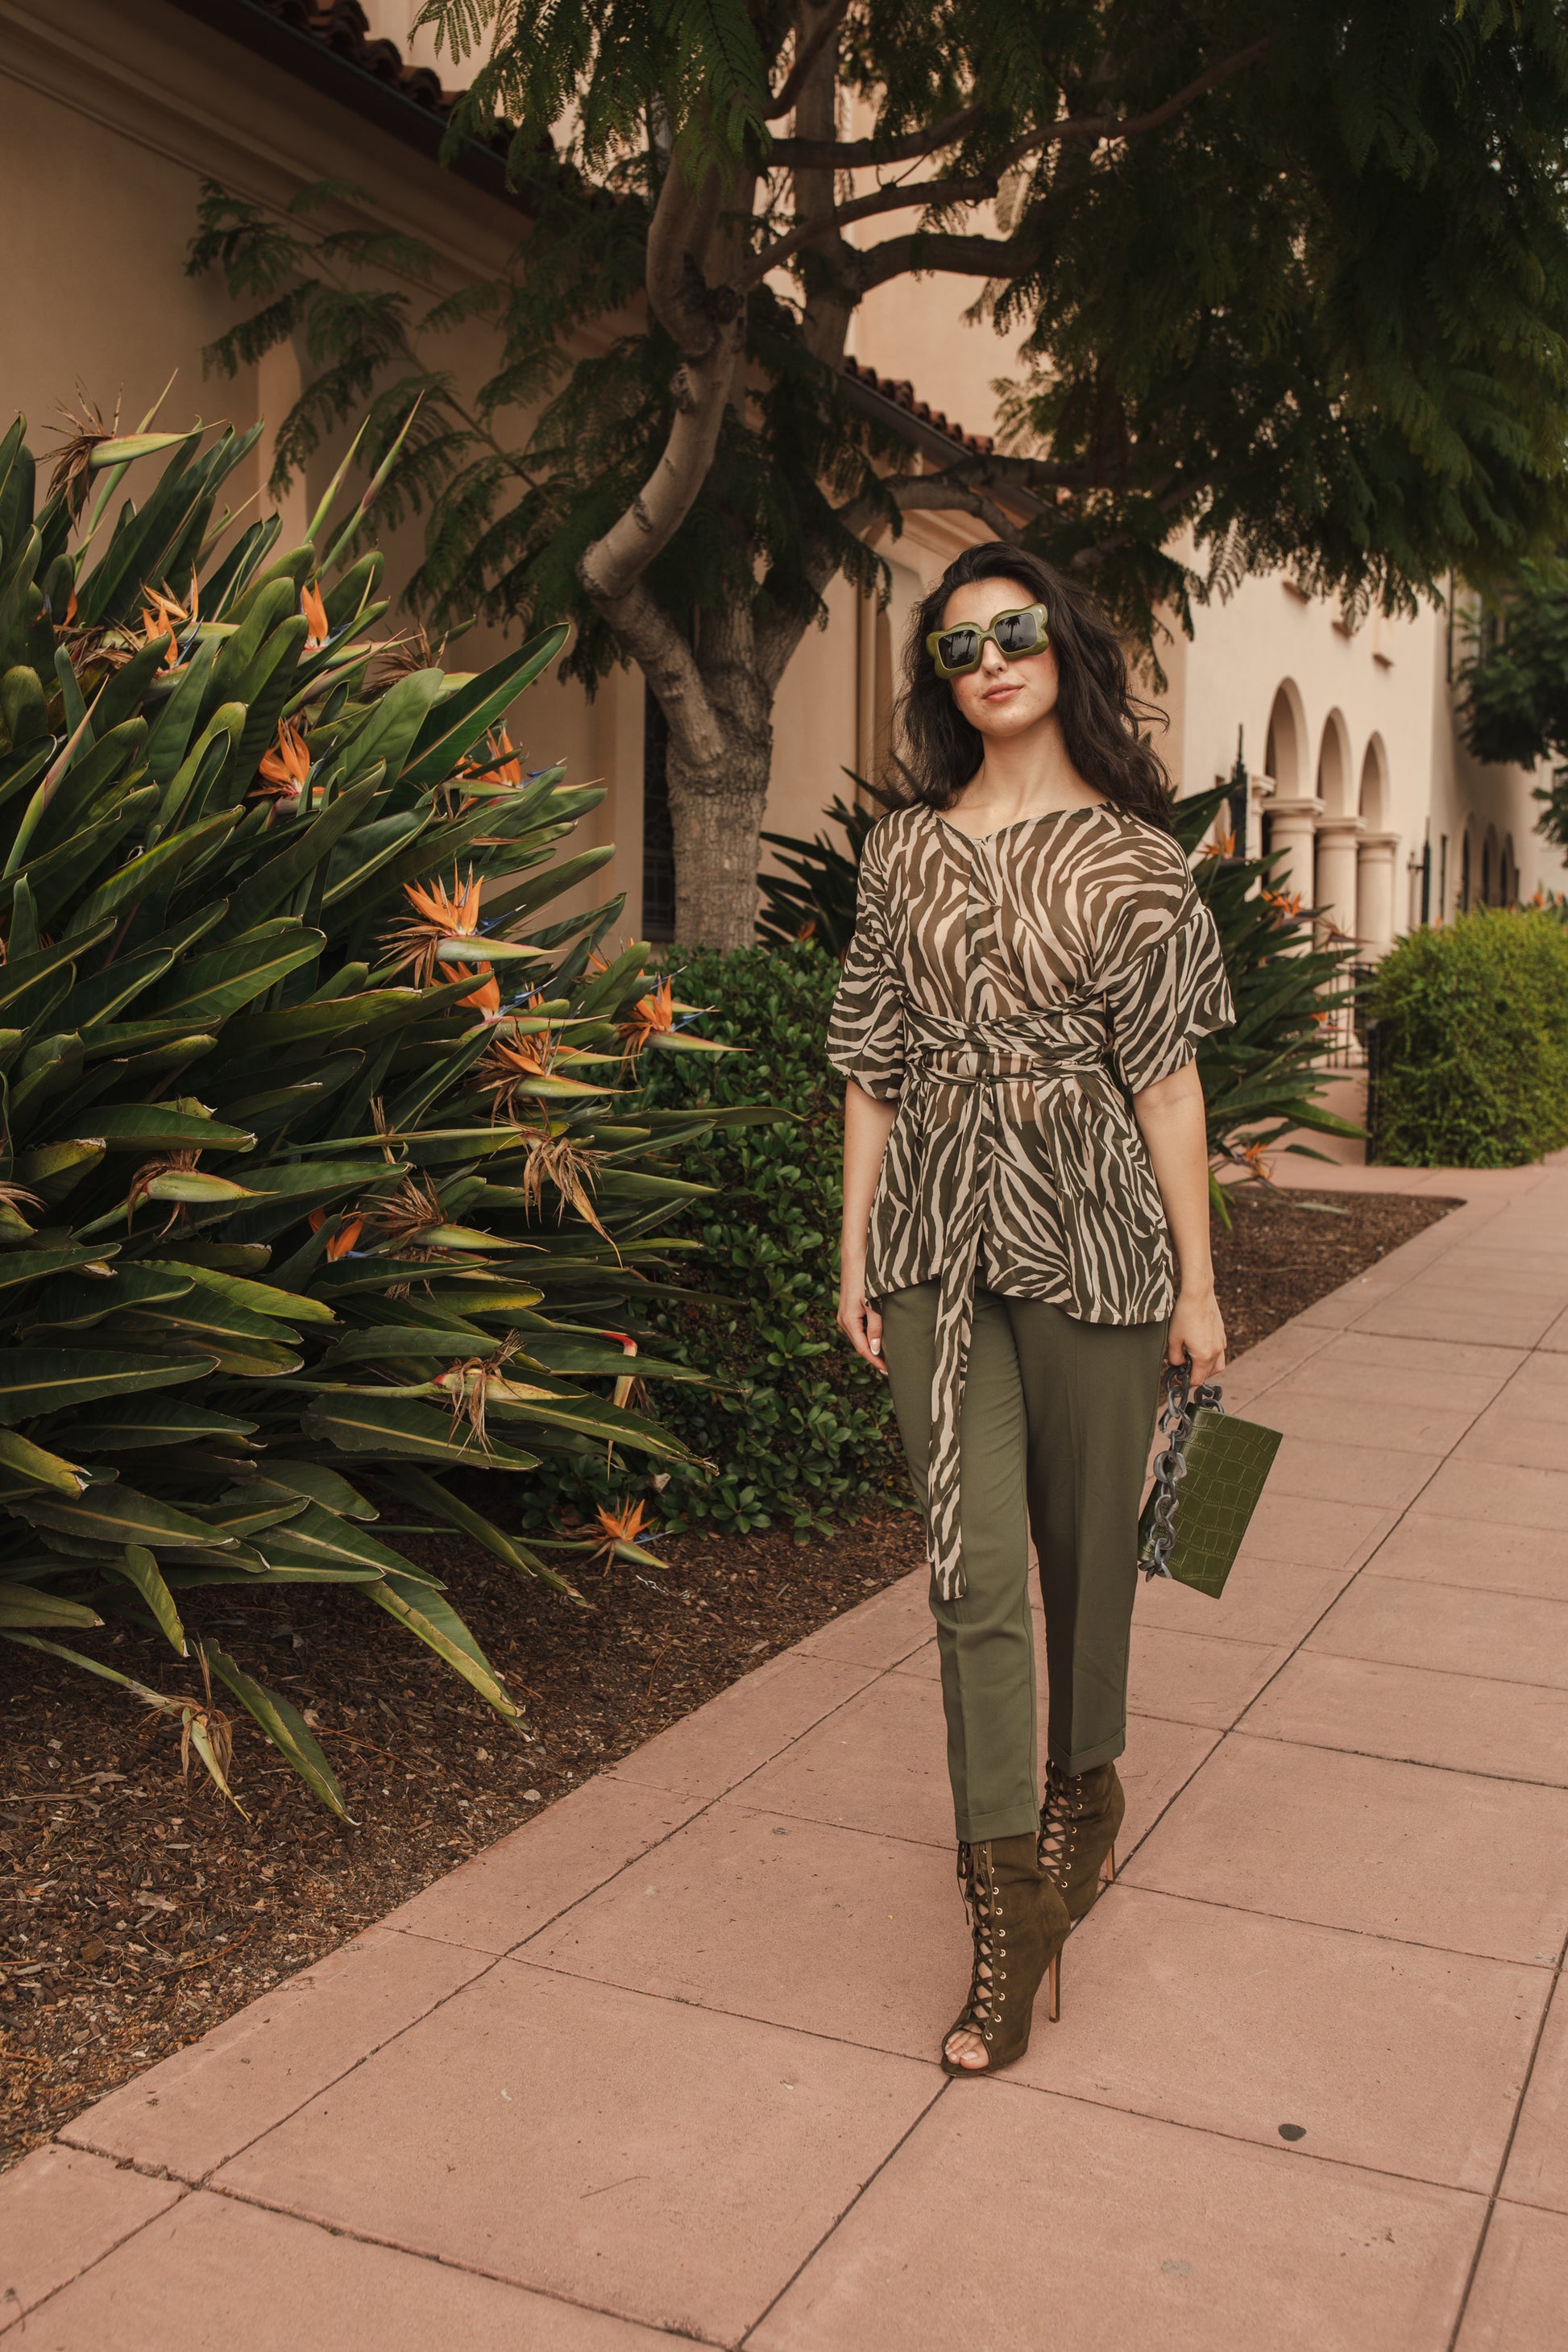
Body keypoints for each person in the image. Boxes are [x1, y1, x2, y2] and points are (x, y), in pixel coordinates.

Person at [831, 543, 1232, 2076]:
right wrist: (852, 1252)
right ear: (939, 680)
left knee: (1088, 1554)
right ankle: (1007, 1911)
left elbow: (1168, 1084)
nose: (989, 660)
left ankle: (1089, 1783)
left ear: (1063, 649)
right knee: (972, 1572)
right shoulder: (899, 854)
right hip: (935, 1234)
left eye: (1013, 633)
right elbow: (870, 1068)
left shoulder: (1139, 859)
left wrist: (1199, 1286)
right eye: (959, 645)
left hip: (1100, 1236)